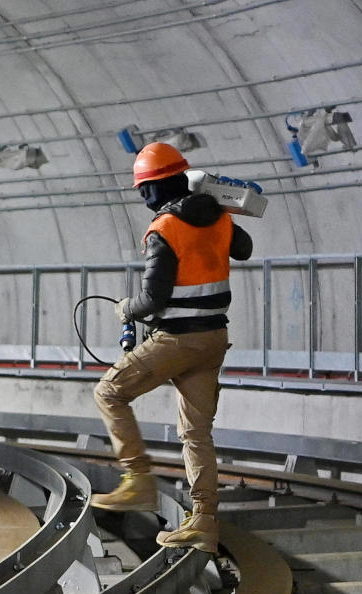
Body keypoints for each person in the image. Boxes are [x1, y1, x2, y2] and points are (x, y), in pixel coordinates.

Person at [90, 142, 253, 555]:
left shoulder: (164, 229)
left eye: (143, 188)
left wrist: (125, 308)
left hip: (178, 339)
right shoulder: (219, 217)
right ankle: (203, 522)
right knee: (196, 434)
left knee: (109, 392)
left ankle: (137, 481)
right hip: (213, 339)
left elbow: (153, 300)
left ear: (156, 187)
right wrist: (218, 204)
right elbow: (244, 249)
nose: (142, 196)